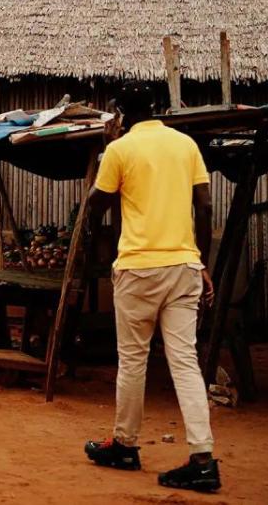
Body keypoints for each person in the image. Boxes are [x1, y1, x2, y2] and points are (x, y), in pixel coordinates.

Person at [83, 82, 220, 492]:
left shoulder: (120, 150)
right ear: (160, 108)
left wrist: (109, 150)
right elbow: (206, 206)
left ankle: (124, 445)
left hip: (138, 270)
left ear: (121, 113)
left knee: (133, 360)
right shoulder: (185, 145)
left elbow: (95, 205)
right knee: (184, 362)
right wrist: (201, 262)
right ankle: (202, 459)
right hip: (183, 267)